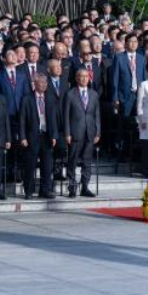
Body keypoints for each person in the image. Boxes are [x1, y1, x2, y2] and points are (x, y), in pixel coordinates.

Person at [19, 73, 59, 199]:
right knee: (30, 165)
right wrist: (23, 137)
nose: (44, 84)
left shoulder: (51, 98)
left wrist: (54, 136)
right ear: (35, 84)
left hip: (47, 136)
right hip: (32, 136)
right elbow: (22, 120)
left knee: (47, 166)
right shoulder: (27, 98)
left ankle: (45, 190)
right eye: (41, 82)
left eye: (45, 82)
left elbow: (54, 119)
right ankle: (29, 191)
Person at [62, 68, 100, 198]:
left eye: (86, 76)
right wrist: (67, 133)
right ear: (76, 78)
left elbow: (97, 115)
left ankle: (85, 187)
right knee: (72, 160)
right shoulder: (70, 94)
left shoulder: (94, 94)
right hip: (75, 132)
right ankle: (72, 187)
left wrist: (98, 132)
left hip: (90, 132)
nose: (83, 78)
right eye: (80, 76)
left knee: (87, 161)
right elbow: (65, 115)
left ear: (89, 78)